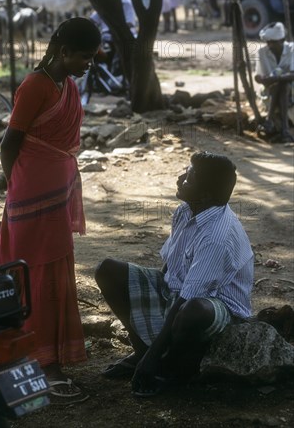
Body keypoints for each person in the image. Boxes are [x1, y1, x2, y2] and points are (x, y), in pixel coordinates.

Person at [0, 17, 101, 403]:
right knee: (31, 271)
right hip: (29, 195)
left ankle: (50, 355)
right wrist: (17, 187)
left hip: (56, 193)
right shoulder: (35, 85)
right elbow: (10, 144)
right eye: (85, 57)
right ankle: (38, 361)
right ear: (64, 50)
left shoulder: (66, 85)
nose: (89, 64)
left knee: (56, 268)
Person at [95, 151, 254, 398]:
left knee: (192, 310)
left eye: (188, 177)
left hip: (217, 307)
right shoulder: (185, 210)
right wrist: (151, 299)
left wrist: (155, 355)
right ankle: (141, 351)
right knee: (108, 270)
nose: (180, 178)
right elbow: (170, 268)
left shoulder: (217, 237)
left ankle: (176, 373)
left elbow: (188, 299)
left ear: (206, 195)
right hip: (179, 293)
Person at [255, 21, 294, 143]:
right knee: (280, 84)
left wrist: (276, 78)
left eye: (273, 42)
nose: (270, 45)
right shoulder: (262, 52)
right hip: (269, 89)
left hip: (290, 90)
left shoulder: (292, 49)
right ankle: (285, 130)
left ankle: (269, 120)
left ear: (282, 40)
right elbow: (258, 76)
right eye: (268, 42)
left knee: (283, 83)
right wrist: (261, 79)